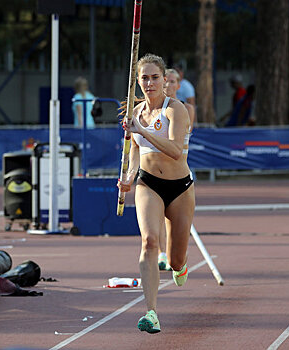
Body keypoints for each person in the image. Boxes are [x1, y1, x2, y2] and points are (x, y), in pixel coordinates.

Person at [118, 54, 195, 333]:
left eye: (154, 77)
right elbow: (136, 153)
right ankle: (151, 312)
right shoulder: (135, 113)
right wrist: (128, 178)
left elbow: (175, 151)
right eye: (144, 78)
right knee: (150, 242)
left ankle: (181, 265)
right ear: (137, 82)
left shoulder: (175, 109)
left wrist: (141, 130)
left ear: (165, 80)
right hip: (148, 184)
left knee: (175, 260)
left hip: (180, 188)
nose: (149, 83)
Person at [157, 68, 196, 271]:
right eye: (166, 81)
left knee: (176, 222)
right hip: (156, 172)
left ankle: (177, 256)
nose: (168, 85)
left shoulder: (185, 109)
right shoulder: (153, 109)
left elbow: (181, 137)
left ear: (178, 85)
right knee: (159, 216)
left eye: (173, 82)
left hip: (181, 170)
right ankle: (161, 253)